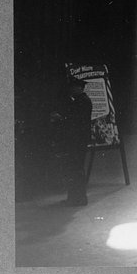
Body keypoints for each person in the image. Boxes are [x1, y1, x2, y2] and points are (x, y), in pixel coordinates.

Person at [50, 77, 93, 206]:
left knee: (75, 169)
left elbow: (75, 121)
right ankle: (76, 198)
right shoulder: (83, 100)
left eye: (72, 88)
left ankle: (77, 199)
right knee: (76, 169)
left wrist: (60, 119)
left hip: (77, 140)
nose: (70, 90)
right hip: (79, 139)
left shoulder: (81, 101)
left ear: (79, 88)